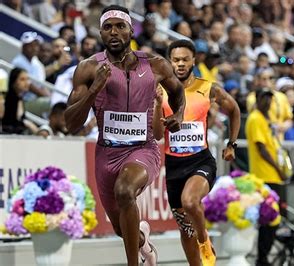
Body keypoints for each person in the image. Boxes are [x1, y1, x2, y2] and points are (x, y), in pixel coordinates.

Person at [64, 5, 185, 266]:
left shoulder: (155, 65)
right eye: (108, 27)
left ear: (131, 30)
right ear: (100, 33)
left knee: (125, 189)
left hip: (143, 148)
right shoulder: (87, 68)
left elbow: (177, 92)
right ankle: (144, 244)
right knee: (122, 229)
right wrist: (94, 89)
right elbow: (70, 123)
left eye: (120, 26)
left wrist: (179, 114)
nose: (114, 32)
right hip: (106, 154)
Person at [159, 39, 241, 266]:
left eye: (185, 59)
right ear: (169, 62)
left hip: (200, 161)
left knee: (190, 201)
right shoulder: (160, 90)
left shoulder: (208, 88)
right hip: (174, 165)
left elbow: (234, 109)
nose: (181, 64)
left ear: (194, 60)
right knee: (185, 230)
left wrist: (231, 144)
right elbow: (155, 130)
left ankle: (204, 240)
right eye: (176, 60)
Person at [245, 88, 288, 266]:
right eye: (265, 99)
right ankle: (262, 258)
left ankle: (264, 256)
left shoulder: (266, 119)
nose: (268, 103)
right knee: (269, 219)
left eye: (270, 100)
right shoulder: (255, 118)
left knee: (274, 218)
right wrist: (278, 169)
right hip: (265, 176)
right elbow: (261, 149)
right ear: (257, 99)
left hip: (273, 176)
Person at [2, 68, 38, 134]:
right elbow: (9, 122)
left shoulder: (19, 98)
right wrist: (26, 123)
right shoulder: (8, 99)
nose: (27, 83)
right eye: (22, 79)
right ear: (13, 82)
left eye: (27, 79)